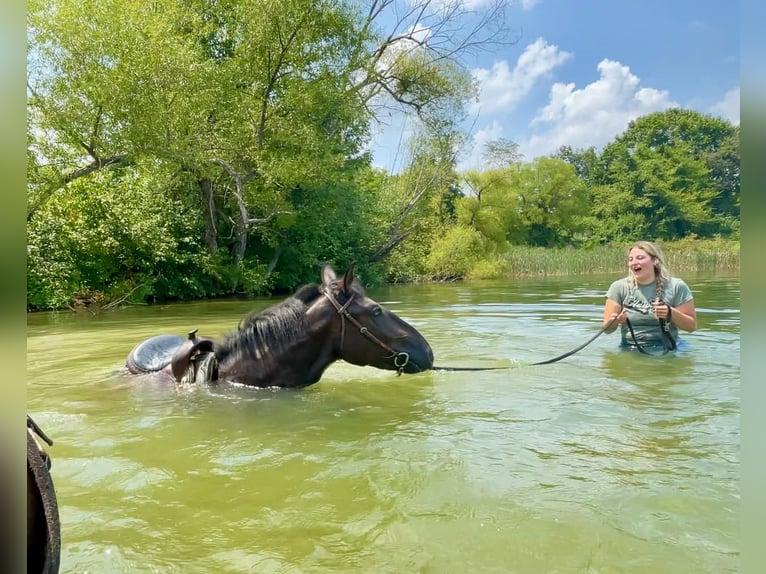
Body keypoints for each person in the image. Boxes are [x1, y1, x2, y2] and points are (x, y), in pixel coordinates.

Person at [603, 241, 697, 351]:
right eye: (631, 259)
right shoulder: (618, 287)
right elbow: (607, 330)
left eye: (640, 258)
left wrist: (671, 313)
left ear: (655, 260)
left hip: (670, 347)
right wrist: (614, 322)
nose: (634, 262)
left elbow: (691, 327)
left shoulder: (676, 286)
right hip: (630, 348)